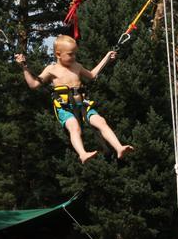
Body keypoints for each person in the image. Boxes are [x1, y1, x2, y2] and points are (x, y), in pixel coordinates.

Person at [15, 35, 133, 163]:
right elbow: (33, 84)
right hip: (65, 108)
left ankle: (119, 147)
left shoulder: (77, 66)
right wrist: (24, 67)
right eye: (70, 54)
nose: (74, 57)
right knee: (74, 127)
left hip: (83, 104)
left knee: (101, 121)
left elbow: (92, 75)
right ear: (58, 54)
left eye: (75, 54)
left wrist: (106, 58)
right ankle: (82, 154)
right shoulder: (51, 69)